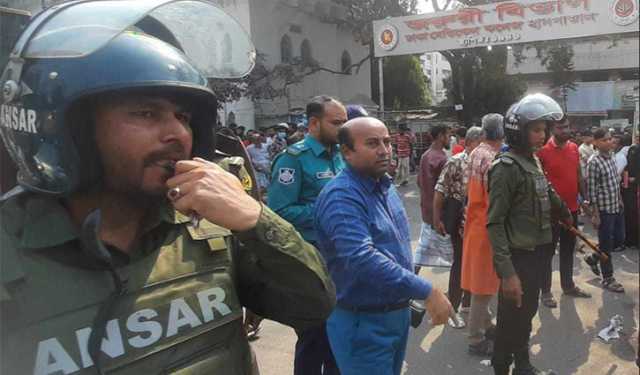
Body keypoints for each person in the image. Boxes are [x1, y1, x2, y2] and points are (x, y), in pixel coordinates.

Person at [0, 2, 336, 374]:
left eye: (183, 117)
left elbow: (312, 305)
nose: (178, 134)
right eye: (146, 113)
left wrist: (256, 220)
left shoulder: (209, 223)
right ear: (65, 129)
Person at [314, 117, 453, 375]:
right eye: (372, 143)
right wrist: (427, 290)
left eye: (387, 142)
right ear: (346, 151)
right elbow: (361, 258)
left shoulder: (384, 187)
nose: (384, 150)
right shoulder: (342, 196)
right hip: (364, 323)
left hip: (393, 317)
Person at [487, 94, 572, 375]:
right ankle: (501, 367)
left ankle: (522, 365)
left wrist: (564, 211)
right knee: (510, 319)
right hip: (517, 258)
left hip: (538, 253)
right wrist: (507, 273)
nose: (543, 135)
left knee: (527, 314)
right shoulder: (505, 168)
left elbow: (545, 191)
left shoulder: (532, 161)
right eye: (536, 129)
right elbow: (495, 223)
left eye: (544, 129)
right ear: (518, 131)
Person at [268, 95, 347, 375]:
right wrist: (327, 209)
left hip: (340, 261)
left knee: (339, 337)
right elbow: (278, 211)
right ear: (314, 123)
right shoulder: (294, 159)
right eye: (336, 122)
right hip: (310, 264)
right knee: (314, 339)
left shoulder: (340, 155)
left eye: (345, 122)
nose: (343, 128)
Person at [536, 117, 592, 308]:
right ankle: (545, 292)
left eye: (567, 126)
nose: (565, 130)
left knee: (568, 251)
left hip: (572, 210)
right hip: (550, 214)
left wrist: (585, 200)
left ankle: (568, 286)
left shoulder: (574, 148)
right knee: (547, 253)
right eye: (561, 127)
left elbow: (578, 176)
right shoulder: (542, 152)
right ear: (552, 130)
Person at [461, 114, 504, 357]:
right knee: (483, 289)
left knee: (480, 284)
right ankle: (475, 339)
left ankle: (487, 326)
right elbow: (496, 199)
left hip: (475, 223)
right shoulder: (493, 158)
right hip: (487, 227)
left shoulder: (477, 152)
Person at [433, 126, 483, 328]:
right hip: (460, 222)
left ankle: (468, 305)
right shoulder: (455, 162)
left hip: (479, 223)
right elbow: (439, 191)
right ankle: (452, 309)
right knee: (461, 263)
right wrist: (437, 220)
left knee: (474, 264)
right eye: (480, 143)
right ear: (469, 143)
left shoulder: (485, 163)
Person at [586, 128, 625, 292]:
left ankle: (593, 257)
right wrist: (595, 215)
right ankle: (608, 278)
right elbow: (592, 191)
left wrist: (620, 200)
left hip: (616, 206)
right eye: (604, 140)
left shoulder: (611, 157)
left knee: (619, 240)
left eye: (610, 139)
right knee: (607, 244)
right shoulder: (594, 162)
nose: (609, 142)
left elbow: (615, 182)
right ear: (595, 142)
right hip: (603, 210)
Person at [415, 124, 450, 273]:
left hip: (427, 212)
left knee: (421, 253)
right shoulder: (442, 159)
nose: (450, 139)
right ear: (441, 136)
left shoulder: (426, 155)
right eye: (448, 135)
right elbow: (444, 190)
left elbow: (418, 181)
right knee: (455, 255)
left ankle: (408, 282)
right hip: (438, 216)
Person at [624, 134, 639, 248]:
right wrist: (626, 178)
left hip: (636, 185)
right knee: (630, 213)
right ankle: (630, 240)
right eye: (637, 136)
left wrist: (637, 178)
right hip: (630, 188)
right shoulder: (632, 149)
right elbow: (627, 166)